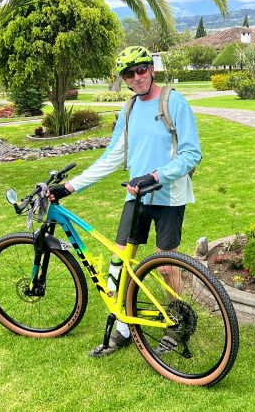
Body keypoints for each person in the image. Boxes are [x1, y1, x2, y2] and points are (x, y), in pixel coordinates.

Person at [47, 45, 201, 358]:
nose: (137, 77)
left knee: (166, 266)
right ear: (124, 79)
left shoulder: (173, 101)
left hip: (169, 196)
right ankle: (122, 326)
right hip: (136, 196)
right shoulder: (129, 109)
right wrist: (69, 188)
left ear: (151, 69)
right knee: (119, 263)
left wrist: (155, 176)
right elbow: (112, 156)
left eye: (141, 69)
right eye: (129, 74)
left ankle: (175, 324)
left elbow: (191, 153)